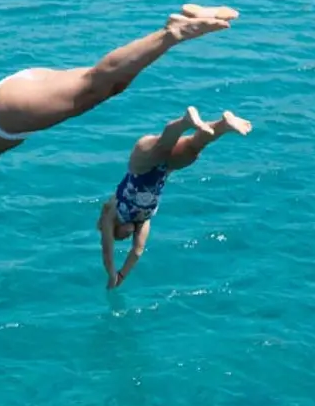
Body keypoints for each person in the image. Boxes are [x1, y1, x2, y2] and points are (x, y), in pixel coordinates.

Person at [0, 4, 240, 285]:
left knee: (94, 83)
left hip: (7, 112)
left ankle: (173, 33)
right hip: (11, 110)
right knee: (108, 88)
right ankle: (170, 30)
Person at [99, 106, 252, 289]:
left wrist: (111, 275)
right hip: (165, 169)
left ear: (116, 229)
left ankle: (185, 121)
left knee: (162, 146)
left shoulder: (112, 213)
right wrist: (122, 276)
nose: (126, 237)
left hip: (140, 165)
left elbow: (107, 250)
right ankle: (224, 124)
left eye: (121, 237)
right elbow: (137, 251)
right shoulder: (144, 221)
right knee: (194, 147)